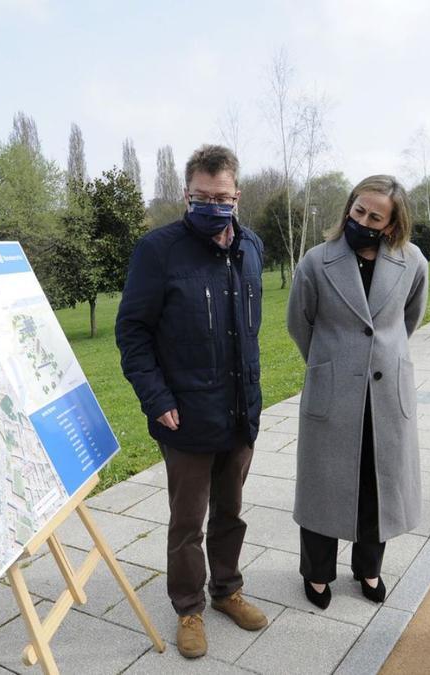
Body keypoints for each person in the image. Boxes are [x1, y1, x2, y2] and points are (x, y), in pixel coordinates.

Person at [115, 144, 268, 659]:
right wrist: (156, 398)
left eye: (221, 197)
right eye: (201, 196)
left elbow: (250, 330)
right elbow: (132, 333)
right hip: (184, 418)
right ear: (186, 194)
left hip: (240, 412)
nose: (211, 205)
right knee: (188, 523)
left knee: (232, 512)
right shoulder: (158, 251)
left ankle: (227, 591)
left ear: (237, 196)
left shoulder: (252, 248)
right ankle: (188, 608)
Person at [286, 175, 428, 610]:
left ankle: (369, 568)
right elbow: (299, 322)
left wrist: (378, 357)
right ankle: (316, 574)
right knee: (323, 486)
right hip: (333, 392)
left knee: (378, 485)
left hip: (386, 394)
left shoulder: (413, 262)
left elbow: (409, 319)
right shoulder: (316, 261)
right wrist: (336, 363)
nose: (363, 219)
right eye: (358, 210)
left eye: (375, 216)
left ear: (391, 224)